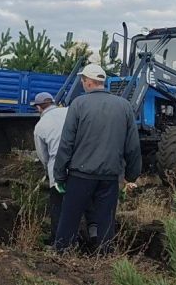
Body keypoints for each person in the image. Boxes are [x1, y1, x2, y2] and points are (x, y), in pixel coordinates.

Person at [53, 63, 141, 252]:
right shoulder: (124, 106)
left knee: (70, 218)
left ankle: (62, 254)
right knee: (105, 221)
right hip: (109, 176)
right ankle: (104, 258)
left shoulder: (78, 104)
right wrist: (131, 177)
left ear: (88, 82)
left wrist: (59, 175)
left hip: (80, 175)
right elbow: (133, 146)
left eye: (83, 81)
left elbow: (67, 143)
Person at [32, 92, 69, 243]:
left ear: (39, 108)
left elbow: (43, 156)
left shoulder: (40, 126)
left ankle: (57, 239)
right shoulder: (69, 112)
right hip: (81, 166)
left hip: (57, 169)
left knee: (57, 205)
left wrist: (48, 168)